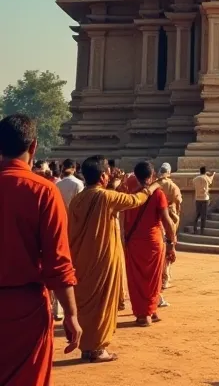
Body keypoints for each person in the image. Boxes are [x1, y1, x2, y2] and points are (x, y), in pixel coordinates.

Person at [0, 114, 81, 383]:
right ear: (33, 146)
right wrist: (70, 314)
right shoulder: (43, 191)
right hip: (26, 309)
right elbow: (57, 263)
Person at [69, 154, 158, 362]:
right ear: (102, 177)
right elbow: (136, 200)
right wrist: (153, 187)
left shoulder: (79, 199)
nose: (110, 175)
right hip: (102, 261)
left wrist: (116, 185)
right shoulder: (106, 198)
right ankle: (98, 349)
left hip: (81, 260)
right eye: (107, 172)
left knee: (86, 306)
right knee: (102, 304)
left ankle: (87, 347)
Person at [123, 161, 176, 327]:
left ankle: (146, 312)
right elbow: (167, 221)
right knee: (153, 278)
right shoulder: (158, 194)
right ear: (152, 175)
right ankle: (146, 313)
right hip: (153, 242)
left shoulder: (131, 195)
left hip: (133, 243)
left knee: (137, 279)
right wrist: (171, 242)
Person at [155, 162, 182, 289]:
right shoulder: (173, 186)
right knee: (169, 247)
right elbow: (178, 203)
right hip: (170, 219)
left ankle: (160, 277)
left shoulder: (154, 185)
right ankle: (165, 277)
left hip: (156, 220)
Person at [193, 165, 215, 234]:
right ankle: (202, 230)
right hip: (205, 198)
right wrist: (213, 174)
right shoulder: (206, 178)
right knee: (203, 215)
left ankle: (195, 228)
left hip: (197, 198)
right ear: (205, 172)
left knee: (197, 214)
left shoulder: (195, 179)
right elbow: (210, 181)